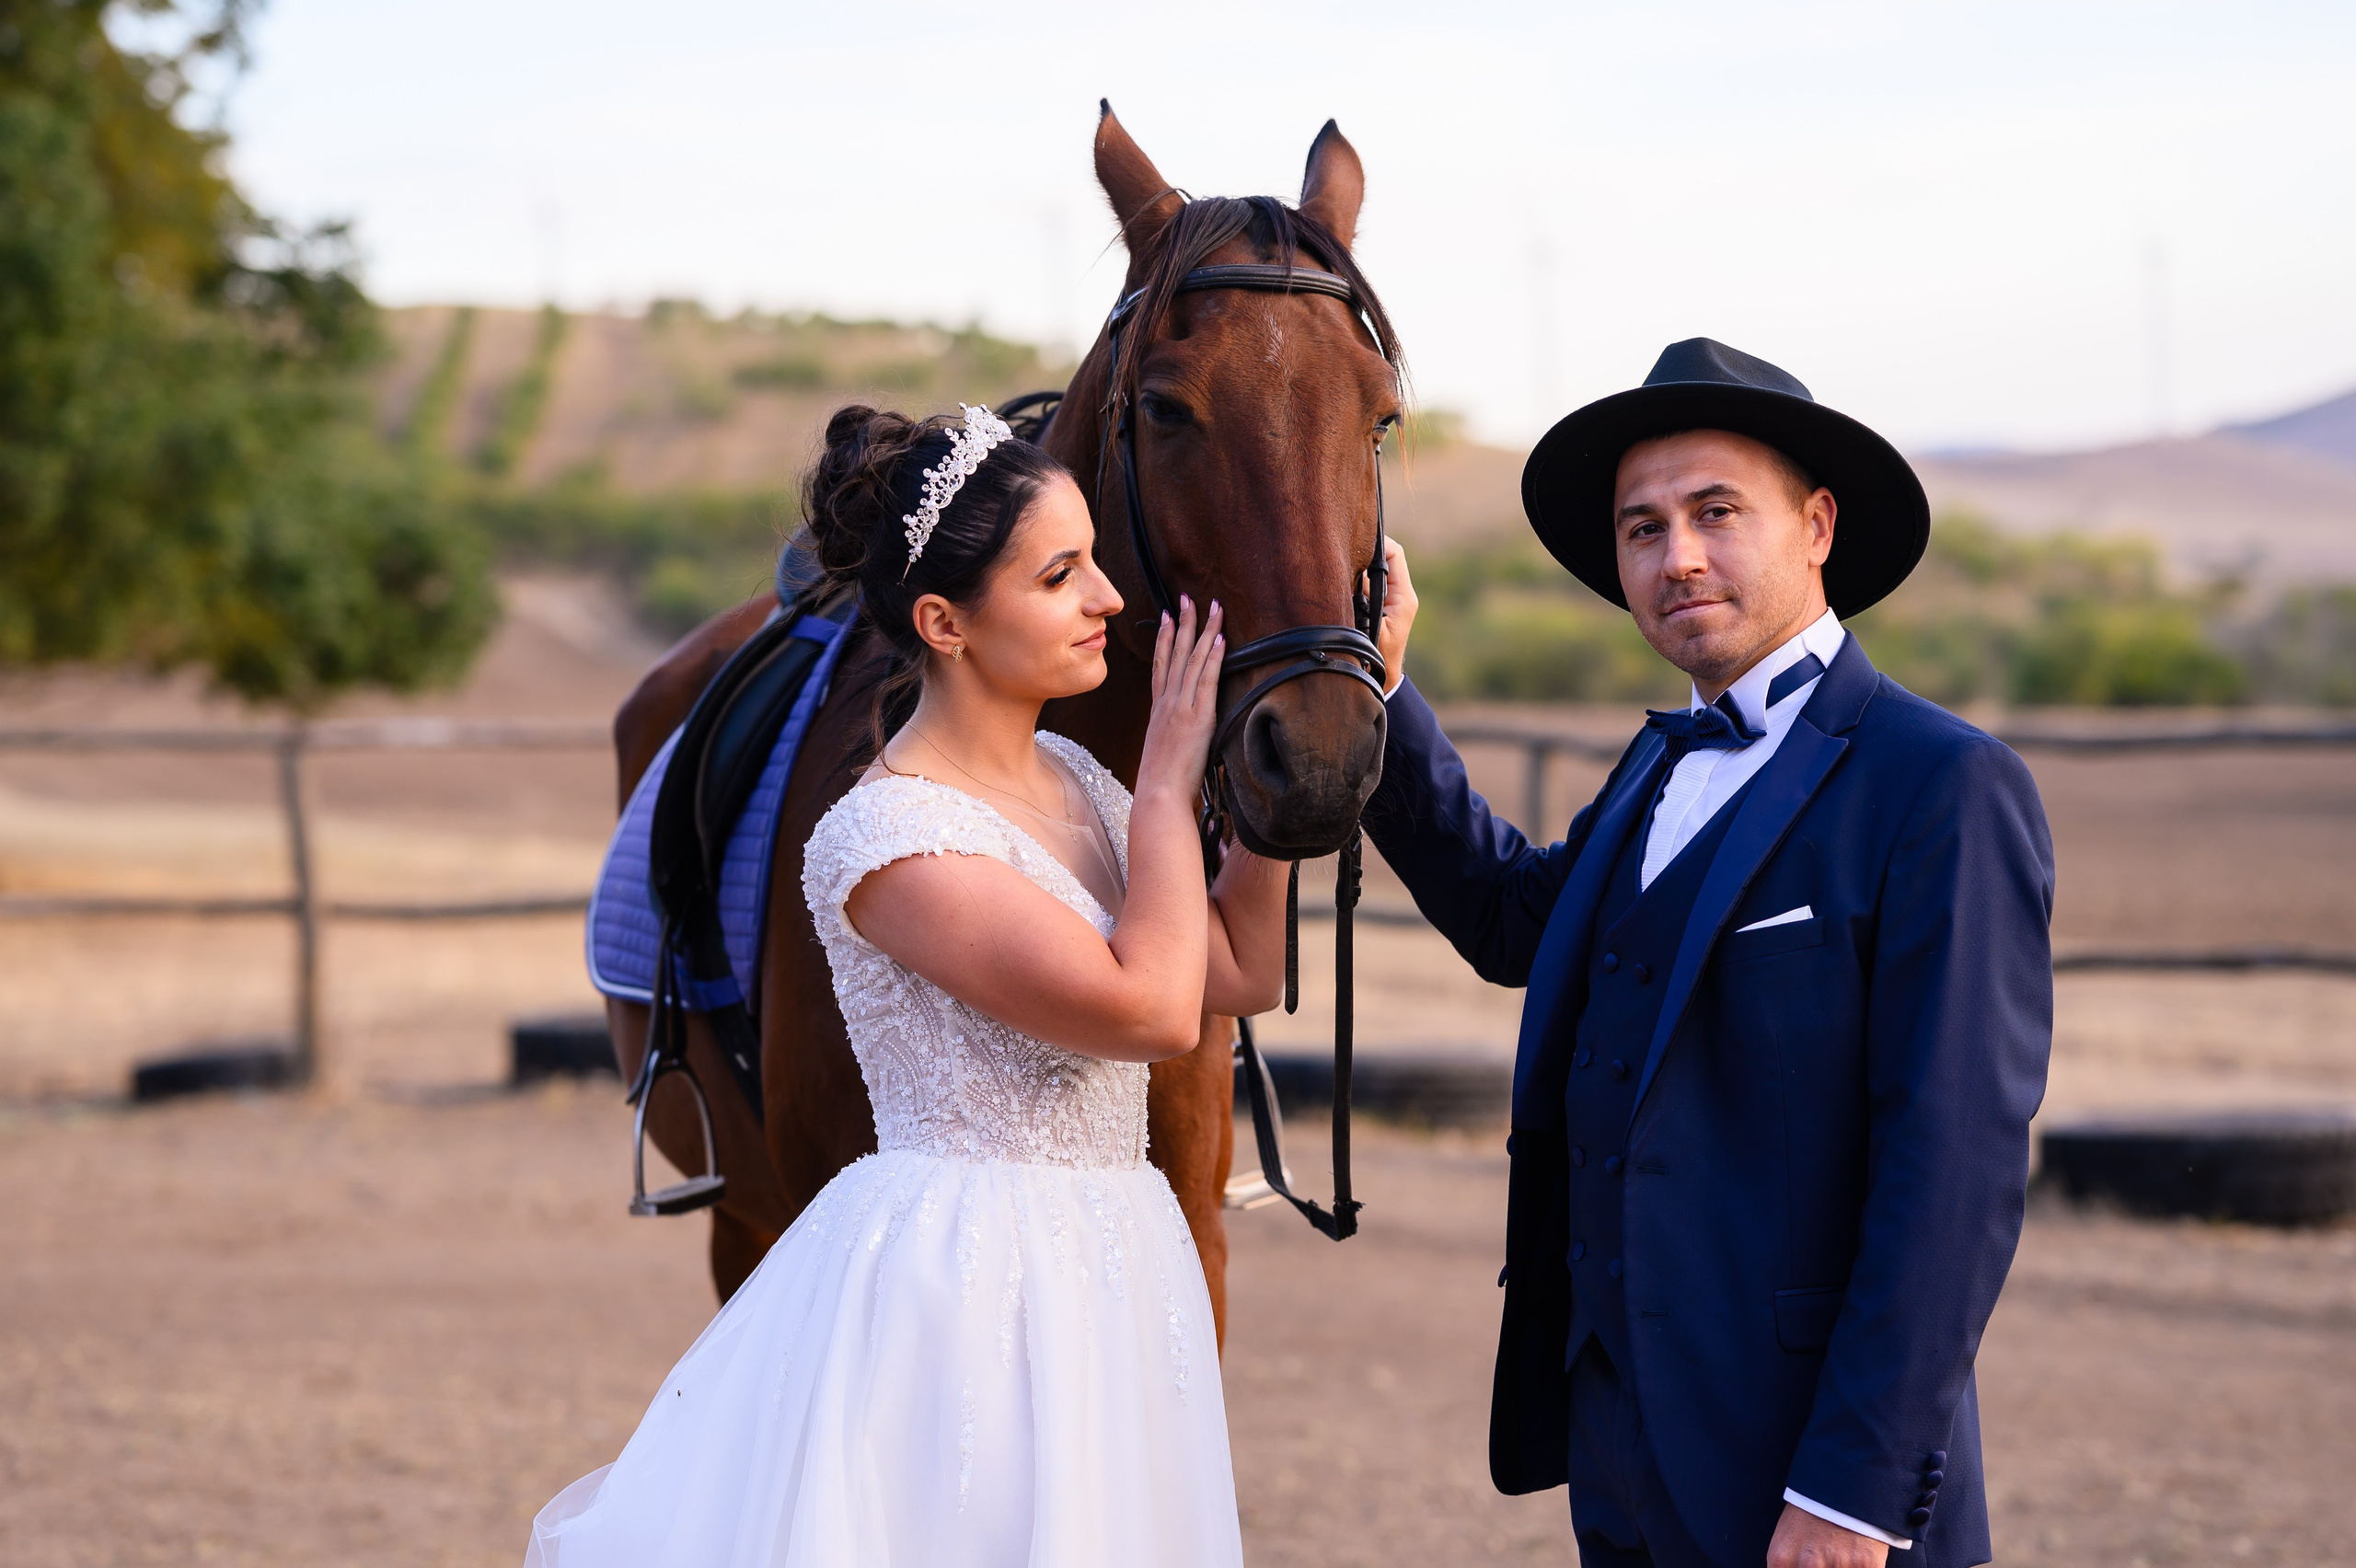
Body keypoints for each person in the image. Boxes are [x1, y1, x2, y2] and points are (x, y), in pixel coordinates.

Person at [525, 403, 1286, 1567]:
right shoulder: (888, 834)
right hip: (969, 1288)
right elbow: (1152, 1011)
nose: (1109, 601)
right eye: (1061, 575)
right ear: (945, 622)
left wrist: (1288, 786)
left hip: (1114, 1263)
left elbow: (1239, 971)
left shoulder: (1079, 778)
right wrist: (1174, 782)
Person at [1363, 340, 2054, 1568]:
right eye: (1642, 528)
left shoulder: (1940, 785)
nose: (1675, 556)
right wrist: (1378, 693)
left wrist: (1855, 1490)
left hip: (1805, 1466)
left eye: (1715, 512)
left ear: (1818, 525)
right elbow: (1514, 918)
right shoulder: (1653, 771)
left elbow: (1953, 1169)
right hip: (1617, 1438)